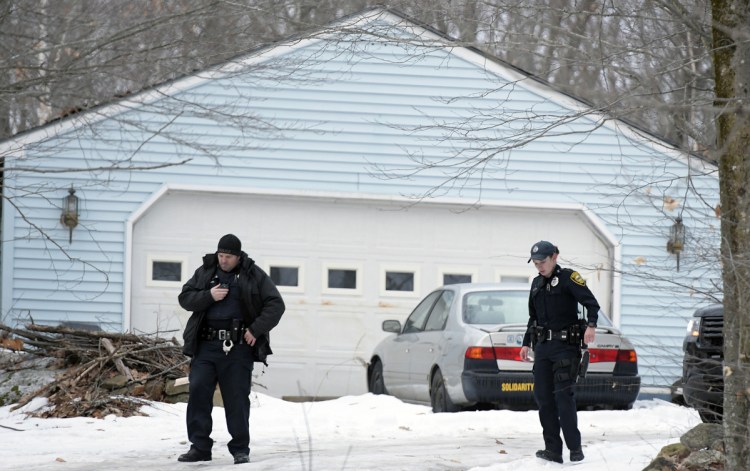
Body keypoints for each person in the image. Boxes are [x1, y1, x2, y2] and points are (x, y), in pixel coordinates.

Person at [177, 234, 285, 465]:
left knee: (236, 397)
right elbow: (185, 298)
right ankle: (200, 447)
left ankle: (239, 449)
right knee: (198, 391)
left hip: (238, 348)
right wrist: (209, 295)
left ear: (238, 256)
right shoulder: (205, 272)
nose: (223, 260)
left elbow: (276, 304)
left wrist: (256, 330)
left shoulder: (253, 274)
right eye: (220, 255)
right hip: (206, 346)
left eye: (228, 257)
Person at [519, 240, 599, 464]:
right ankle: (553, 449)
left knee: (563, 397)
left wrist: (591, 326)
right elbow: (533, 317)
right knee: (544, 399)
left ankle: (575, 448)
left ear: (555, 256)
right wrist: (526, 343)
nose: (539, 267)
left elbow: (591, 304)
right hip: (543, 348)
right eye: (535, 263)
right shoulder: (536, 284)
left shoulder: (569, 279)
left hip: (565, 347)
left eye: (542, 262)